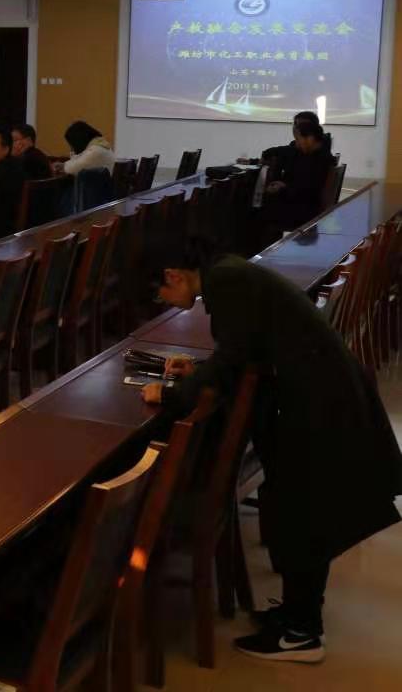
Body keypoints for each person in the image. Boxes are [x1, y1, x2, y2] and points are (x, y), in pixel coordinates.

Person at [142, 240, 402, 663]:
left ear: (173, 276)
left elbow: (233, 358)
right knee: (297, 508)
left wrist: (169, 396)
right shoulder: (228, 272)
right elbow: (245, 349)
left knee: (304, 511)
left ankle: (302, 634)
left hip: (320, 404)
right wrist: (200, 371)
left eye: (161, 295)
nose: (167, 303)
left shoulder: (226, 280)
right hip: (315, 396)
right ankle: (297, 614)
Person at [264, 119, 335, 232]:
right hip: (307, 206)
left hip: (303, 211)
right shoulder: (321, 155)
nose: (296, 144)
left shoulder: (318, 160)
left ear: (310, 138)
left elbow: (309, 189)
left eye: (298, 139)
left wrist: (283, 186)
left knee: (259, 209)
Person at [262, 111, 333, 166]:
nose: (295, 128)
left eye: (301, 126)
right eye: (295, 124)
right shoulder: (294, 146)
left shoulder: (319, 154)